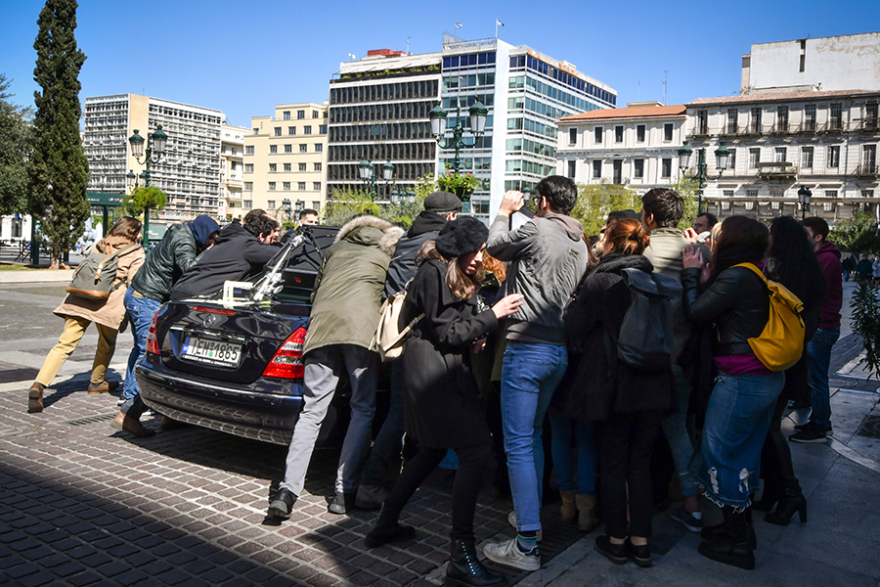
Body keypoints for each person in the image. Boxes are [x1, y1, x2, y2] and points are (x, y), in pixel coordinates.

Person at [364, 217, 523, 587]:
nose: (479, 257)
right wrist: (494, 315)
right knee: (476, 450)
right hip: (434, 376)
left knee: (432, 450)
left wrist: (477, 332)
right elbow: (448, 332)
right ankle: (461, 556)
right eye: (473, 250)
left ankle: (385, 523)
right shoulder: (433, 273)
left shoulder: (444, 272)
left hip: (436, 371)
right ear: (455, 250)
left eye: (481, 250)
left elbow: (452, 327)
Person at [483, 176, 589, 572]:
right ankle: (527, 518)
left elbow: (495, 247)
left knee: (518, 444)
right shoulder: (580, 242)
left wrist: (503, 211)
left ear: (542, 201)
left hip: (526, 347)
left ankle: (527, 544)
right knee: (532, 435)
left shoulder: (538, 228)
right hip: (556, 350)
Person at [268, 215, 404, 518]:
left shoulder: (334, 249)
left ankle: (287, 492)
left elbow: (315, 291)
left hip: (322, 330)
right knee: (362, 409)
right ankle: (343, 491)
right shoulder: (387, 252)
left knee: (311, 411)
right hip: (362, 333)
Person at [563, 219, 673, 567]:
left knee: (612, 464)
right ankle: (641, 542)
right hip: (654, 383)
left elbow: (574, 325)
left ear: (610, 243)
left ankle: (616, 540)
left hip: (614, 384)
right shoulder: (655, 280)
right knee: (640, 463)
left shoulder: (601, 281)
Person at [681, 215, 784, 571]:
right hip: (763, 378)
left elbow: (696, 313)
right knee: (744, 456)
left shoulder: (737, 275)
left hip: (742, 380)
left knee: (722, 457)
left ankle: (738, 543)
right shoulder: (755, 270)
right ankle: (739, 531)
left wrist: (691, 275)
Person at [356, 191, 462, 510]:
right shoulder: (440, 244)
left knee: (400, 412)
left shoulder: (405, 239)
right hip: (424, 340)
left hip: (399, 338)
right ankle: (372, 481)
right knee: (411, 412)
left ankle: (388, 476)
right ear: (451, 216)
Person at [640, 188, 709, 533]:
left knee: (637, 434)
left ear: (649, 217)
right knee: (679, 431)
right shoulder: (698, 251)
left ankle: (633, 510)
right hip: (683, 357)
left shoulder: (640, 249)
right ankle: (692, 503)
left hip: (640, 357)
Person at [115, 215, 220, 437]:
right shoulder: (184, 240)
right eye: (211, 237)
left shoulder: (182, 233)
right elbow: (190, 268)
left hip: (140, 295)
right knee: (147, 352)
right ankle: (129, 410)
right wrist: (211, 252)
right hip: (147, 298)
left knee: (140, 349)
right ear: (202, 231)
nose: (212, 241)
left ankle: (140, 402)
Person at [27, 217, 145, 413]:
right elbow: (134, 281)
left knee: (64, 345)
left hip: (81, 297)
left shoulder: (100, 244)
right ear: (131, 232)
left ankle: (39, 384)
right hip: (108, 303)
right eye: (138, 231)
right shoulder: (136, 251)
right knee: (106, 343)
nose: (140, 235)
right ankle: (96, 382)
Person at [757, 216, 825, 525]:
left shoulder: (785, 274)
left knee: (771, 426)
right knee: (767, 426)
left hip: (780, 357)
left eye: (771, 234)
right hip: (792, 357)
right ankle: (774, 490)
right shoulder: (807, 270)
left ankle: (790, 492)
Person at [548, 239, 601, 533]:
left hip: (560, 369)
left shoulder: (554, 283)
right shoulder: (595, 285)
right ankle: (586, 511)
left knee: (559, 437)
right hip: (587, 372)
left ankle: (566, 505)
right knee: (586, 441)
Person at [790, 217, 843, 444]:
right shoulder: (818, 258)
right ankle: (817, 421)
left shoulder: (827, 260)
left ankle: (821, 426)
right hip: (818, 325)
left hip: (822, 327)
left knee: (817, 380)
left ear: (818, 237)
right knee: (813, 378)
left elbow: (810, 289)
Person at [168, 210, 280, 301]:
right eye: (271, 238)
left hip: (182, 291)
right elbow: (279, 255)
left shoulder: (232, 239)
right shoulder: (247, 245)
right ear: (261, 236)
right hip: (195, 297)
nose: (272, 242)